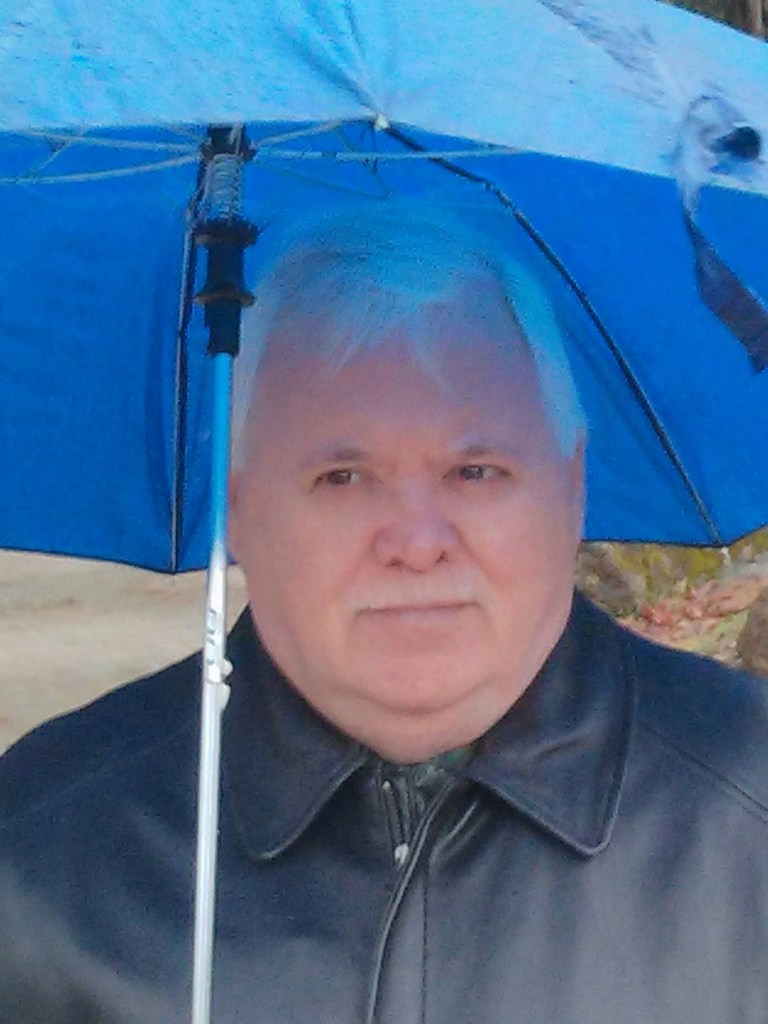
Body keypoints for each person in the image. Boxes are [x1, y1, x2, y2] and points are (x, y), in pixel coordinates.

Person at [2, 198, 768, 1024]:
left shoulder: (748, 817)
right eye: (343, 477)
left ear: (572, 485)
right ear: (238, 507)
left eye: (475, 471)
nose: (416, 542)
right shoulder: (41, 858)